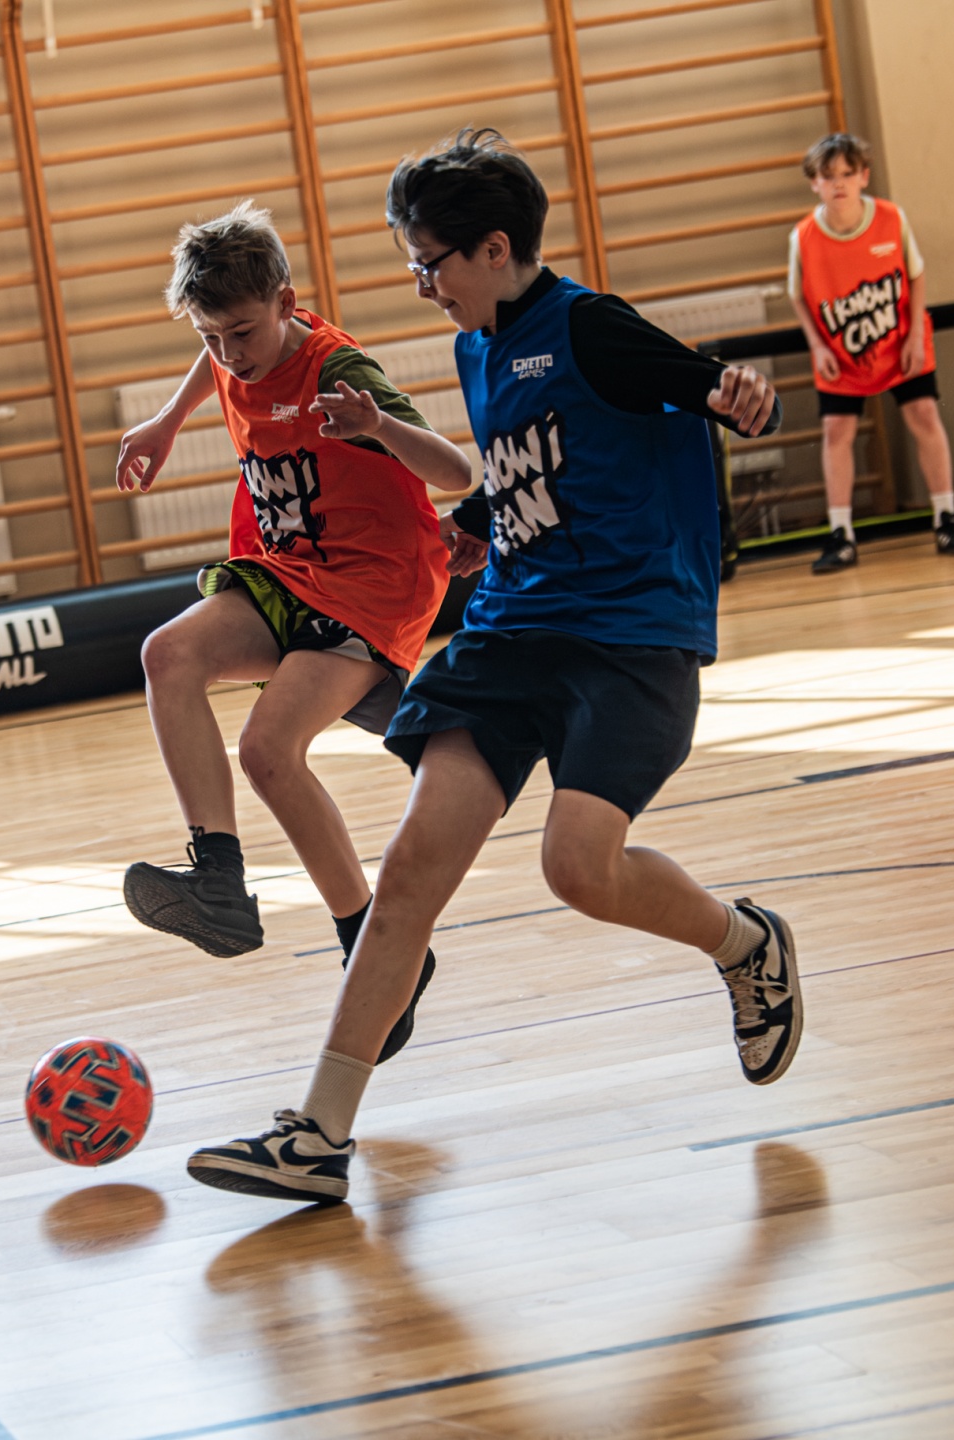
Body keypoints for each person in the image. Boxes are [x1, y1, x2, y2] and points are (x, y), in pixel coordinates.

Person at [186, 129, 801, 1204]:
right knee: (412, 868)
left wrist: (748, 395)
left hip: (629, 641)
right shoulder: (481, 346)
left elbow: (712, 389)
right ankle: (318, 1135)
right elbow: (536, 469)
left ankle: (744, 944)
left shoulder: (591, 328)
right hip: (514, 634)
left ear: (494, 248)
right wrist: (476, 524)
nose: (421, 285)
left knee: (580, 869)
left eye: (429, 263)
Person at [115, 201, 470, 1060]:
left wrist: (376, 426)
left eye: (242, 332)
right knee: (167, 653)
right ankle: (218, 878)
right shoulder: (229, 347)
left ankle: (373, 948)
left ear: (286, 302)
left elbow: (457, 472)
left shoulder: (337, 368)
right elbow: (220, 360)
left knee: (268, 751)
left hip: (372, 584)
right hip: (292, 566)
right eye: (210, 337)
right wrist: (168, 420)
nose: (229, 354)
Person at [789, 131, 954, 573]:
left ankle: (947, 518)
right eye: (828, 176)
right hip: (841, 350)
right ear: (814, 183)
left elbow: (916, 275)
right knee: (836, 431)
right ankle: (841, 533)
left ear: (864, 176)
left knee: (924, 415)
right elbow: (798, 295)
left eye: (847, 173)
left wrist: (913, 337)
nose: (838, 183)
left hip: (900, 340)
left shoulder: (891, 219)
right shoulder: (803, 237)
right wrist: (817, 345)